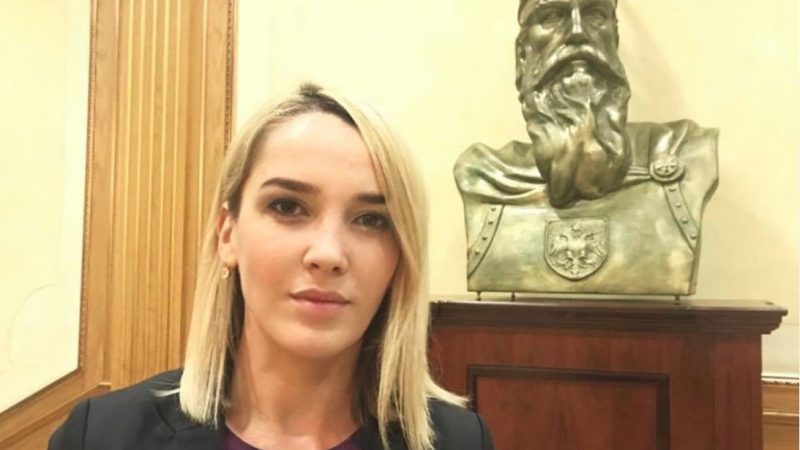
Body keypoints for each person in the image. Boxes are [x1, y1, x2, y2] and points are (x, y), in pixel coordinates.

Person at [49, 84, 495, 450]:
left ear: (400, 258)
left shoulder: (459, 442)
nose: (328, 254)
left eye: (370, 220)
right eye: (288, 207)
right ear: (227, 234)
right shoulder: (103, 436)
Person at [453, 0, 718, 295]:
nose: (578, 32)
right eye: (552, 16)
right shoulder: (485, 177)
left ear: (614, 38)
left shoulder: (687, 152)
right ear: (523, 56)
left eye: (594, 14)